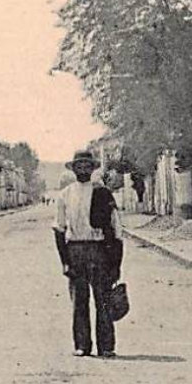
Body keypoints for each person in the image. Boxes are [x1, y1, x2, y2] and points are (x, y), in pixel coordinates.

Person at [52, 148, 123, 358]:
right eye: (79, 165)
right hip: (76, 251)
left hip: (99, 250)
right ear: (73, 169)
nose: (83, 168)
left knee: (103, 300)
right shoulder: (65, 195)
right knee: (79, 302)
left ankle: (106, 346)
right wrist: (65, 261)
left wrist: (115, 264)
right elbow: (59, 229)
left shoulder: (102, 192)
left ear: (92, 168)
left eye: (87, 165)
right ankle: (82, 345)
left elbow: (116, 229)